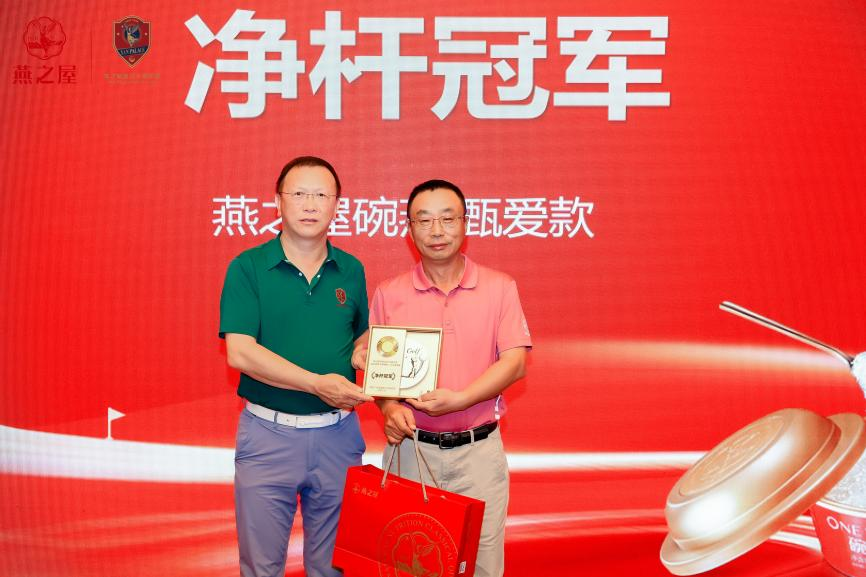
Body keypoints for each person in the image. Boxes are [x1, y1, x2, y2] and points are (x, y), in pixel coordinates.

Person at [360, 179, 531, 577]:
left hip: (479, 453)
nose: (436, 230)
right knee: (409, 564)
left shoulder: (499, 288)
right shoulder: (390, 294)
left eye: (447, 219)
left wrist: (461, 399)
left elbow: (515, 362)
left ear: (465, 223)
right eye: (424, 220)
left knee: (482, 564)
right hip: (411, 453)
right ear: (409, 229)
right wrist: (388, 409)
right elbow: (381, 376)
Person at [219, 156, 373, 577]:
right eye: (299, 193)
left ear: (337, 204)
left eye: (321, 195)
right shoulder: (248, 267)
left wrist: (363, 353)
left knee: (333, 567)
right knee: (262, 567)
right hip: (268, 437)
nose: (310, 204)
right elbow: (240, 353)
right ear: (278, 201)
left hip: (339, 437)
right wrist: (316, 384)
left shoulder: (352, 270)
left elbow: (360, 336)